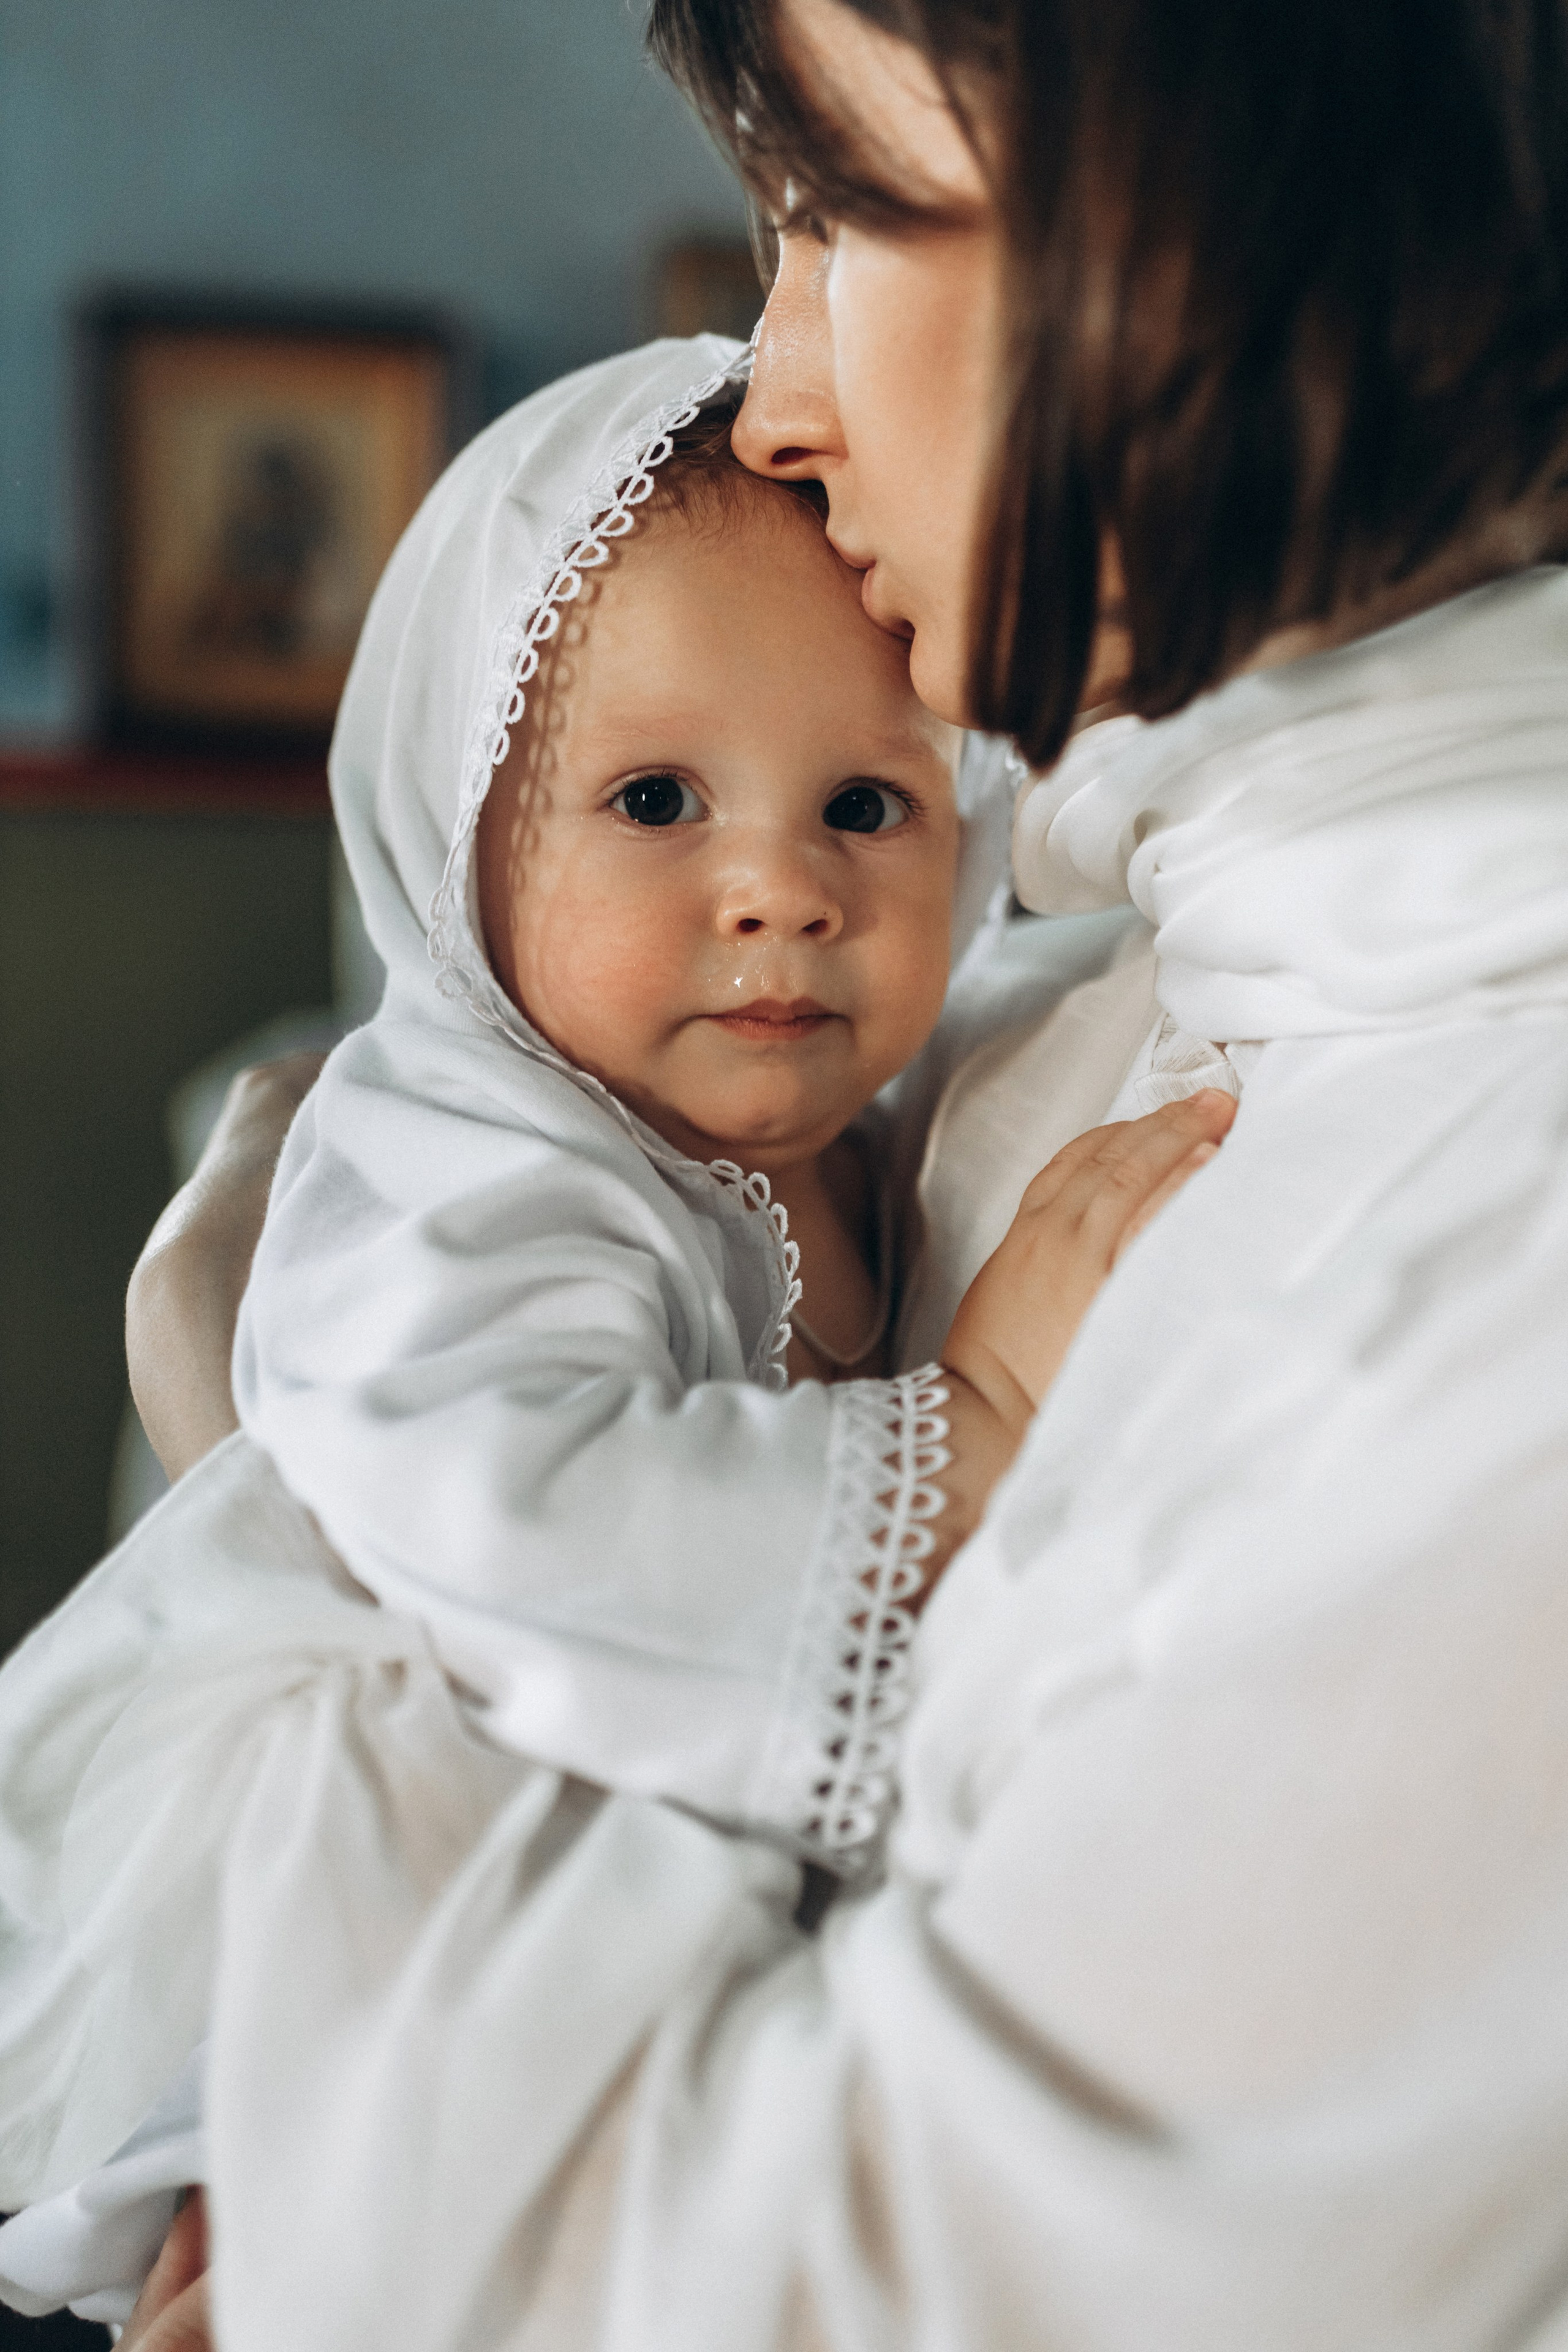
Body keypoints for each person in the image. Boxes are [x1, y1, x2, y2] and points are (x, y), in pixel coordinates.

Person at [16, 0, 1568, 2342]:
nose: (771, 393)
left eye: (834, 205)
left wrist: (284, 1481)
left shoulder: (1480, 1226)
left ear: (1217, 193)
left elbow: (814, 2278)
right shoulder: (1109, 1006)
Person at [0, 333, 1223, 2336]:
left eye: (866, 802)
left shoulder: (871, 1141)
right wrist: (978, 1419)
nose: (783, 887)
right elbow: (499, 1515)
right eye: (659, 797)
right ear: (464, 834)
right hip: (352, 1884)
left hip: (576, 1872)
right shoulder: (471, 1153)